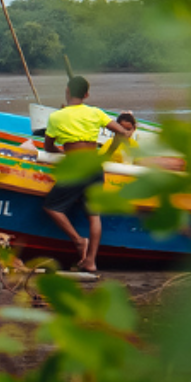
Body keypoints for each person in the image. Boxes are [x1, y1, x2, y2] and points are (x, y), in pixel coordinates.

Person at [40, 76, 137, 273]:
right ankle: (91, 261)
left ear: (67, 91)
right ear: (86, 95)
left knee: (51, 207)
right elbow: (123, 133)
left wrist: (61, 153)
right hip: (94, 166)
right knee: (94, 216)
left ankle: (78, 241)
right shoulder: (95, 112)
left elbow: (48, 146)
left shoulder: (57, 117)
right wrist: (108, 154)